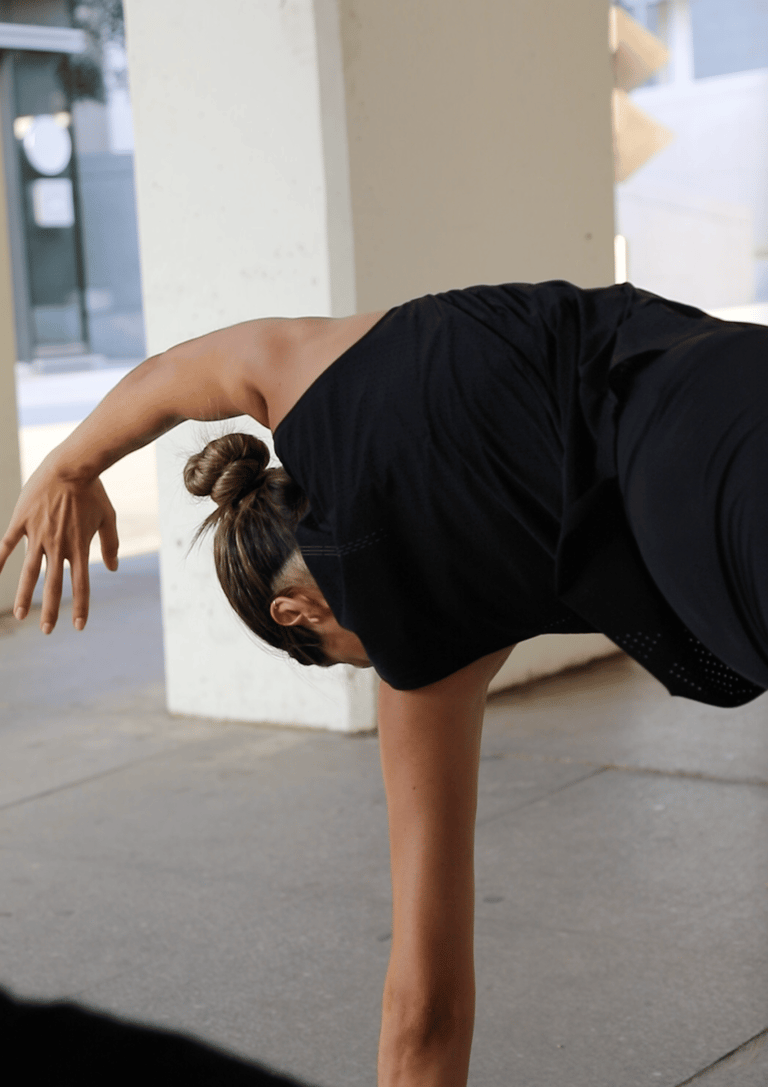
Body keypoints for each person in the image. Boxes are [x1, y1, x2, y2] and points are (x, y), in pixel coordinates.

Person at [2, 278, 767, 1087]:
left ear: (297, 613)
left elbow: (423, 1007)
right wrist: (68, 466)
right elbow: (173, 373)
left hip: (709, 493)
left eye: (343, 657)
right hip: (729, 367)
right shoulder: (306, 372)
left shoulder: (416, 638)